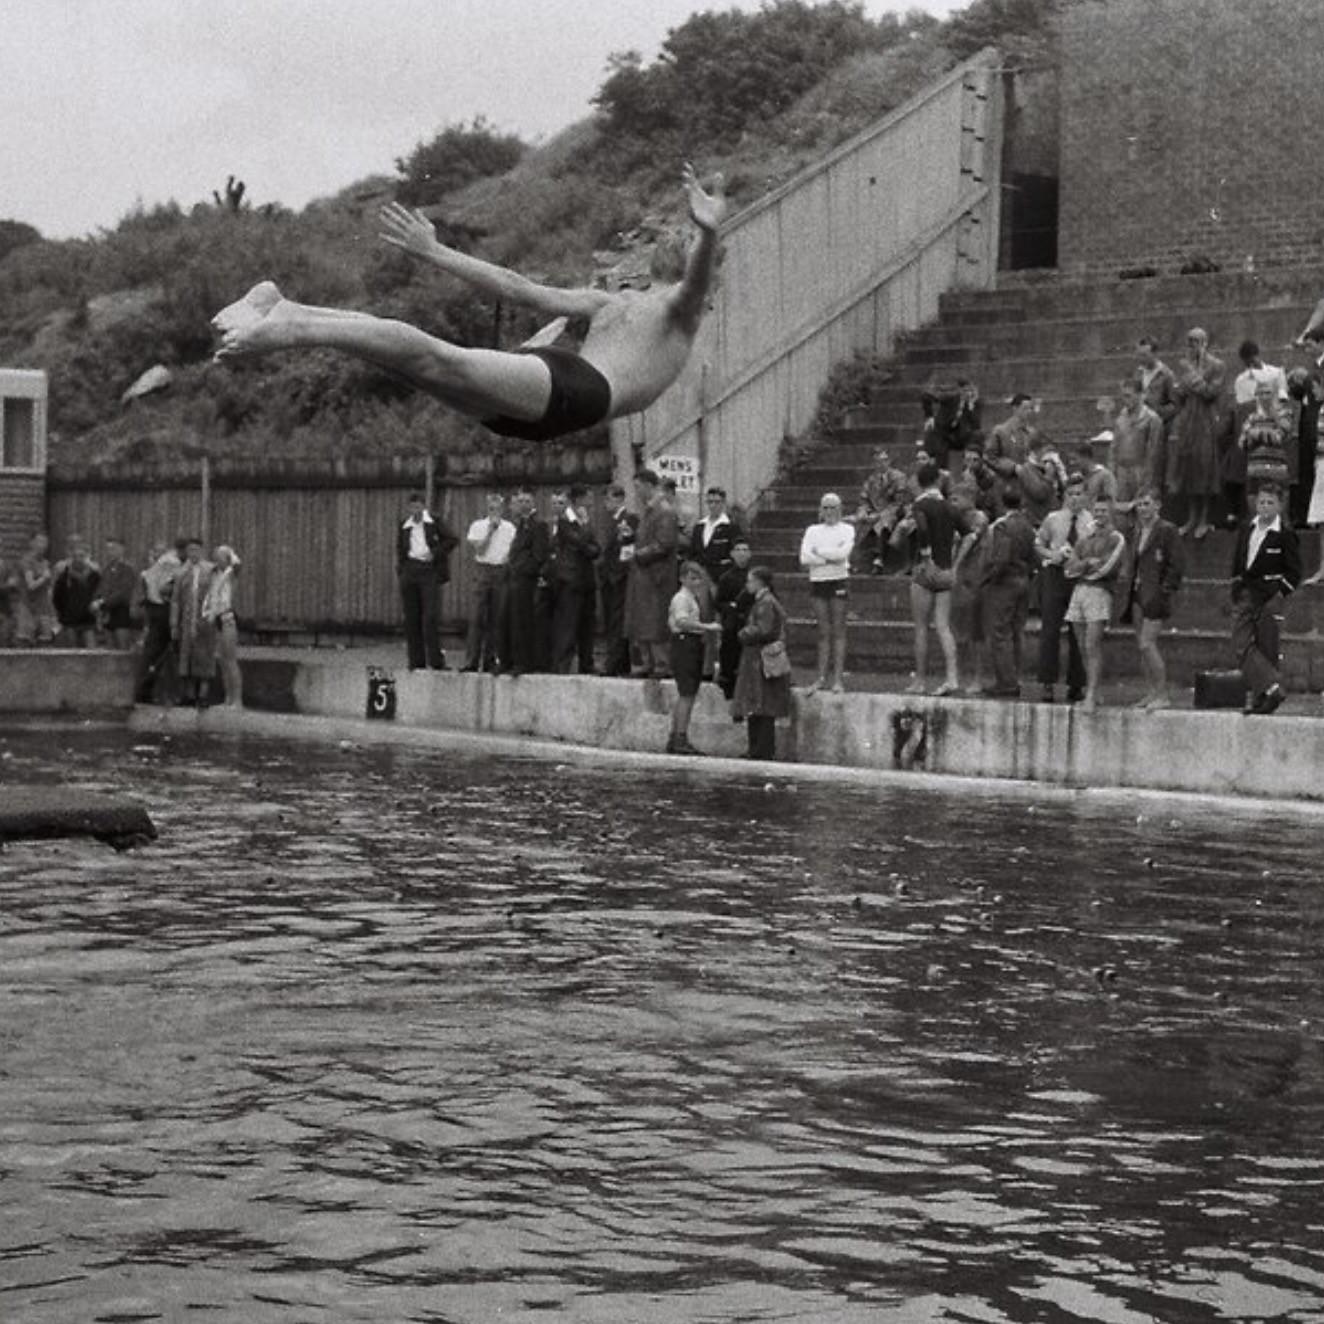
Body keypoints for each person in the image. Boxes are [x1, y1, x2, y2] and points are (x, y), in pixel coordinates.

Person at [213, 166, 727, 441]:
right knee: (418, 357)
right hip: (568, 388)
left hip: (569, 401)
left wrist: (708, 233)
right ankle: (289, 317)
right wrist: (435, 252)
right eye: (684, 229)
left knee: (414, 362)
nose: (680, 233)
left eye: (687, 235)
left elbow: (695, 286)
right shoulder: (611, 301)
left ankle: (289, 316)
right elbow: (516, 286)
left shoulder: (677, 315)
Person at [893, 459, 965, 695]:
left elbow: (922, 529)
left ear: (920, 483)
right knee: (943, 626)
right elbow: (970, 533)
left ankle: (920, 680)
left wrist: (926, 557)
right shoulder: (950, 507)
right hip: (946, 570)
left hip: (926, 571)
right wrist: (957, 562)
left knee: (921, 628)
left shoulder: (921, 505)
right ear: (937, 481)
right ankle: (952, 677)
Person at [1230, 483, 1301, 714]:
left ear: (1280, 506)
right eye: (1262, 502)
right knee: (1241, 644)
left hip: (1270, 596)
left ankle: (1263, 699)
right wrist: (1236, 584)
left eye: (1271, 502)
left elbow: (1294, 572)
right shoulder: (1247, 529)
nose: (1265, 507)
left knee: (1266, 646)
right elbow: (1239, 560)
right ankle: (1273, 685)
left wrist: (1279, 593)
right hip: (1247, 593)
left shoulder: (1285, 535)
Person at [1064, 497, 1127, 713]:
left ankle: (1091, 694)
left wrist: (1083, 568)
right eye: (1097, 510)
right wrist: (1086, 564)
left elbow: (1107, 569)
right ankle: (1094, 689)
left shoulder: (1116, 538)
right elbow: (1068, 569)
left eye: (1103, 511)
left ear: (1111, 513)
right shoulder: (1084, 539)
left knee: (1092, 645)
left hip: (1099, 592)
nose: (1099, 514)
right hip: (1078, 591)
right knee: (1081, 645)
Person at [1034, 473, 1093, 704]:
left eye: (1079, 494)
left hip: (1079, 577)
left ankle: (1076, 683)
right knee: (1050, 629)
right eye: (1071, 494)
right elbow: (1038, 543)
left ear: (1086, 496)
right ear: (1064, 496)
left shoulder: (1091, 522)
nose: (1075, 499)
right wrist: (1052, 555)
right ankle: (1047, 682)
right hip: (1055, 576)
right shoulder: (1054, 519)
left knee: (1077, 630)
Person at [1124, 489, 1184, 710]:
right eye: (1139, 504)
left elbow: (1176, 564)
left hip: (1156, 593)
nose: (1142, 509)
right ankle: (1151, 691)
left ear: (1158, 505)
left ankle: (1162, 693)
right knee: (1141, 646)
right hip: (1139, 592)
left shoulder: (1167, 530)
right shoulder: (1138, 531)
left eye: (1147, 504)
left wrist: (1165, 590)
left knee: (1147, 642)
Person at [1169, 327, 1226, 540]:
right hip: (1188, 421)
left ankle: (1204, 517)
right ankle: (1192, 516)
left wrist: (1193, 378)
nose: (1191, 346)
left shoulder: (1217, 365)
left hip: (1206, 421)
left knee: (1204, 468)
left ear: (1205, 343)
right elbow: (1179, 396)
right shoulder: (1184, 365)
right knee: (1188, 468)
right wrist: (1180, 388)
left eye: (1196, 342)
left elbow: (1211, 392)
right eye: (1189, 341)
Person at [980, 486, 1036, 698]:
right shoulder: (1027, 526)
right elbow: (1033, 556)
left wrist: (989, 578)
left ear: (1003, 503)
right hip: (1023, 580)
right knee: (1017, 630)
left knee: (999, 633)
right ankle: (1016, 676)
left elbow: (1001, 558)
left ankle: (1006, 682)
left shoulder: (1003, 527)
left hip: (1005, 583)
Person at [732, 565, 791, 760]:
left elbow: (764, 629)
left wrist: (744, 633)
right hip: (757, 657)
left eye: (750, 580)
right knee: (758, 703)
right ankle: (757, 747)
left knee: (762, 703)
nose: (747, 584)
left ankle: (761, 749)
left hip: (760, 658)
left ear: (759, 582)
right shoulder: (765, 601)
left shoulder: (765, 603)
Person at [624, 469, 679, 678]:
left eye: (638, 487)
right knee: (643, 620)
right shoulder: (650, 510)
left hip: (657, 576)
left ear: (648, 485)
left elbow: (664, 543)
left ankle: (662, 664)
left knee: (656, 621)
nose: (636, 492)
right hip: (645, 575)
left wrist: (639, 554)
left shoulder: (664, 511)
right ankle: (647, 663)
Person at [799, 492, 854, 694]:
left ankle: (838, 679)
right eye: (826, 507)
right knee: (823, 631)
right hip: (818, 581)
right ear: (820, 510)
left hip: (838, 580)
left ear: (840, 509)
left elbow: (842, 555)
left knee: (839, 630)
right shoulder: (812, 530)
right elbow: (804, 558)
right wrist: (829, 557)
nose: (829, 511)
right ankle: (820, 677)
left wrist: (819, 553)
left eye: (833, 507)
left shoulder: (847, 529)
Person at [396, 492, 458, 671]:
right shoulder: (404, 526)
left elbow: (452, 539)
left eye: (418, 507)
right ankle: (416, 661)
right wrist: (402, 571)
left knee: (430, 617)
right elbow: (400, 549)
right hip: (410, 570)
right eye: (412, 507)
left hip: (428, 571)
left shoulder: (434, 522)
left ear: (423, 507)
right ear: (409, 508)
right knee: (411, 617)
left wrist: (435, 553)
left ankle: (436, 660)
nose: (415, 510)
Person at [665, 561, 721, 754]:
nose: (696, 582)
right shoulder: (682, 598)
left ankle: (675, 737)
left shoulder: (691, 597)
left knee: (686, 693)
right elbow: (681, 621)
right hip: (685, 643)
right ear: (682, 578)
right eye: (692, 578)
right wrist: (707, 627)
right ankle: (680, 737)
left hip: (688, 643)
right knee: (687, 693)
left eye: (698, 578)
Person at [547, 486, 600, 674]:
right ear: (579, 499)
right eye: (589, 497)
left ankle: (587, 663)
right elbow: (579, 542)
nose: (592, 501)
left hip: (586, 580)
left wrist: (587, 544)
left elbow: (595, 549)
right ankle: (562, 665)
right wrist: (585, 526)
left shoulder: (584, 522)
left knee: (587, 624)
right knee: (568, 624)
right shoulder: (565, 521)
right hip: (570, 579)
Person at [461, 492, 514, 673]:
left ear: (503, 508)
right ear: (487, 508)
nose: (495, 511)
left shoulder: (510, 528)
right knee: (476, 617)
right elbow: (480, 550)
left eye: (498, 508)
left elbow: (511, 553)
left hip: (501, 571)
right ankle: (471, 660)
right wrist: (490, 531)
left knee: (496, 618)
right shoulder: (478, 526)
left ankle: (490, 660)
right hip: (483, 570)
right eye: (492, 508)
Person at [502, 488, 550, 676]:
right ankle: (509, 659)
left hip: (526, 581)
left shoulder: (538, 525)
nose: (523, 505)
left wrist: (522, 570)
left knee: (523, 621)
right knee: (508, 620)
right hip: (514, 579)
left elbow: (539, 555)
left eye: (527, 501)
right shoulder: (521, 525)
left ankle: (524, 662)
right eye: (520, 501)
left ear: (533, 503)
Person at [597, 484, 638, 677]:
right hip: (609, 578)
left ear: (620, 499)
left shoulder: (628, 519)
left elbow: (628, 549)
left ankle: (615, 663)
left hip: (619, 579)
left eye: (609, 499)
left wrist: (618, 574)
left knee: (617, 621)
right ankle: (619, 662)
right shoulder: (611, 521)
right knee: (612, 620)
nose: (606, 504)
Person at [170, 537, 216, 706]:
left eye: (196, 550)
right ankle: (188, 695)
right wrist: (174, 624)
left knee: (204, 657)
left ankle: (203, 695)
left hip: (205, 621)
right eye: (190, 550)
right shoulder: (181, 573)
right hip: (187, 621)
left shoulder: (211, 570)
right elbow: (175, 600)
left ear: (202, 551)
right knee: (186, 657)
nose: (193, 554)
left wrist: (212, 616)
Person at [136, 540, 182, 703]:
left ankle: (146, 692)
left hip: (156, 610)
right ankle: (166, 693)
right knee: (165, 654)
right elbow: (165, 589)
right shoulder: (171, 563)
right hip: (163, 610)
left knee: (155, 654)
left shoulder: (150, 570)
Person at [950, 510, 990, 695]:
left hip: (978, 591)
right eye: (975, 525)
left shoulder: (987, 544)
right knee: (959, 637)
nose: (977, 529)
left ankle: (978, 678)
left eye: (981, 525)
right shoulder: (961, 542)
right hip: (961, 591)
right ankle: (957, 675)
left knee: (976, 638)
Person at [1134, 335, 1179, 496]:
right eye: (1139, 355)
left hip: (1158, 431)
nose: (1141, 359)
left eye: (1145, 355)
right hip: (1138, 429)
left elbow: (1175, 405)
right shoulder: (1138, 373)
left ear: (1155, 354)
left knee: (1156, 472)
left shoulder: (1166, 375)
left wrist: (1156, 413)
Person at [1238, 378, 1292, 505]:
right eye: (1260, 393)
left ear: (1274, 393)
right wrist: (1263, 435)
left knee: (1278, 500)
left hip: (1277, 468)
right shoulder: (1252, 417)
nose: (1264, 397)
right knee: (1253, 499)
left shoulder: (1285, 414)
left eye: (1267, 392)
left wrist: (1256, 434)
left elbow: (1280, 437)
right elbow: (1243, 442)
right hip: (1255, 468)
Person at [1112, 379, 1164, 508]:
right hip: (1122, 472)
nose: (1125, 399)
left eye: (1128, 395)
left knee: (1143, 510)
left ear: (1140, 395)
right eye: (1123, 396)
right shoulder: (1120, 418)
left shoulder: (1152, 419)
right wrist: (1113, 472)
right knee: (1122, 511)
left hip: (1141, 471)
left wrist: (1147, 479)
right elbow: (1114, 448)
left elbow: (1154, 452)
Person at [202, 545, 243, 707]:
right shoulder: (214, 575)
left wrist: (230, 553)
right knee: (223, 661)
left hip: (227, 618)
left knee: (231, 660)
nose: (217, 561)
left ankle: (238, 700)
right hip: (216, 618)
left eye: (221, 558)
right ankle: (228, 698)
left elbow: (237, 564)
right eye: (216, 558)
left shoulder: (231, 574)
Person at [714, 537, 754, 699]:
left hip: (752, 624)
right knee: (730, 658)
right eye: (738, 550)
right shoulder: (725, 578)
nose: (742, 554)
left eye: (745, 550)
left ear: (750, 554)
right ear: (732, 554)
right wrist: (730, 607)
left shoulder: (756, 576)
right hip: (732, 626)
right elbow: (718, 603)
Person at [51, 540, 100, 648]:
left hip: (88, 620)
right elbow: (57, 597)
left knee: (92, 650)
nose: (78, 559)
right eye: (76, 556)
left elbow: (99, 593)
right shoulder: (65, 576)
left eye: (81, 556)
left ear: (86, 557)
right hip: (69, 621)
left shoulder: (94, 576)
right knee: (72, 651)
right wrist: (62, 615)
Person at [91, 537, 138, 650]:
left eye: (114, 548)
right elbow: (101, 587)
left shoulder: (128, 568)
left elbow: (123, 592)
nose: (110, 552)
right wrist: (96, 600)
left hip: (121, 612)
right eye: (108, 549)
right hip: (107, 613)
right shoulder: (107, 568)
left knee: (122, 648)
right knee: (109, 649)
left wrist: (103, 602)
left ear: (122, 549)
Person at [14, 532, 56, 647]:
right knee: (25, 643)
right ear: (32, 543)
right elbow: (30, 585)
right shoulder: (27, 561)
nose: (42, 545)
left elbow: (48, 589)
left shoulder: (45, 562)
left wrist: (52, 611)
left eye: (45, 542)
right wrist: (44, 577)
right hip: (28, 607)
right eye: (39, 541)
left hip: (43, 608)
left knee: (46, 642)